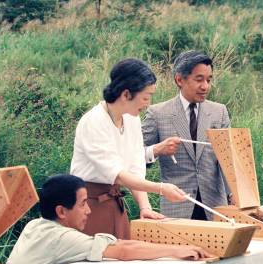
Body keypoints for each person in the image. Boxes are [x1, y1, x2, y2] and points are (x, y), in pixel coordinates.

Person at [142, 50, 231, 264]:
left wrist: (233, 203)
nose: (205, 85)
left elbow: (227, 159)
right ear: (179, 79)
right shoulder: (156, 113)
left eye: (209, 79)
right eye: (199, 79)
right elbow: (132, 156)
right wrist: (156, 150)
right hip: (176, 207)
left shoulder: (219, 112)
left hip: (213, 207)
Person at [6, 174, 212, 264]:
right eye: (83, 204)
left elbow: (122, 244)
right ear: (61, 211)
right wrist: (176, 251)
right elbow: (123, 251)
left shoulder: (35, 226)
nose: (88, 210)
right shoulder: (61, 238)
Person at [71, 58, 187, 241]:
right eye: (146, 97)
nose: (148, 103)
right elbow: (117, 175)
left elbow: (134, 168)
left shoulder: (131, 118)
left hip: (114, 205)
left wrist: (145, 207)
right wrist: (161, 188)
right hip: (88, 206)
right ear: (126, 95)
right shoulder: (93, 122)